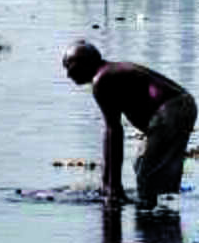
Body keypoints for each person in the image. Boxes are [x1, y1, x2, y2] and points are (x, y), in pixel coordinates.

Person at [63, 40, 196, 210]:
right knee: (142, 165)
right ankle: (159, 218)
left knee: (149, 174)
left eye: (69, 66)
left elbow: (114, 132)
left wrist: (113, 187)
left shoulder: (102, 79)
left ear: (84, 62)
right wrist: (107, 182)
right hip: (179, 107)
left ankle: (153, 219)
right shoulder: (107, 74)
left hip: (172, 109)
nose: (68, 74)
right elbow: (112, 131)